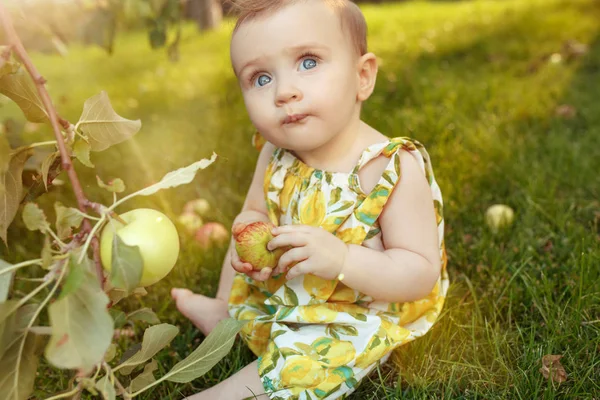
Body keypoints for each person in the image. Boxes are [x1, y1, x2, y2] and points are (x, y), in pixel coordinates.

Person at [171, 0, 449, 398]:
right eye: (261, 78)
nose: (285, 92)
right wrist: (248, 235)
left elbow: (419, 272)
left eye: (308, 62)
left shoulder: (388, 168)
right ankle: (225, 312)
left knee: (311, 358)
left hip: (358, 307)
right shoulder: (274, 150)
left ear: (362, 77)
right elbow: (254, 209)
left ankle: (239, 390)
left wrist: (342, 258)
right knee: (240, 237)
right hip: (287, 285)